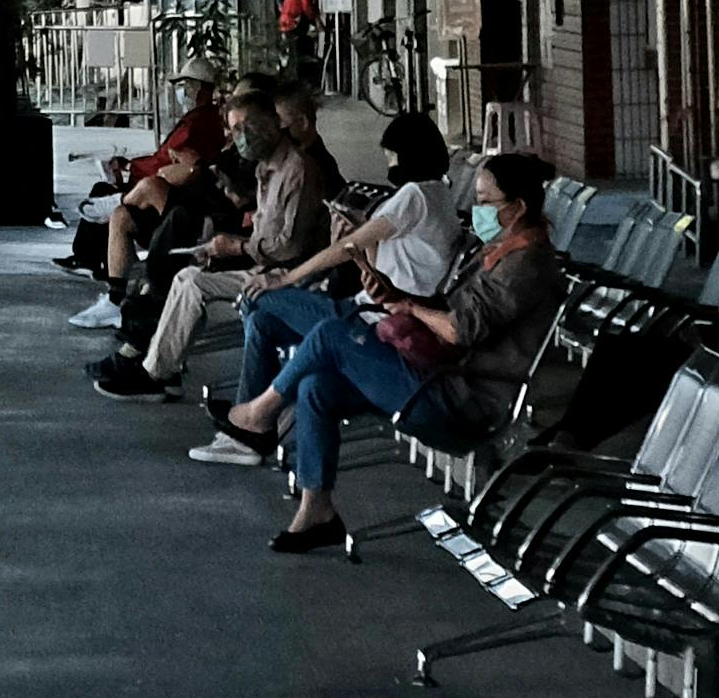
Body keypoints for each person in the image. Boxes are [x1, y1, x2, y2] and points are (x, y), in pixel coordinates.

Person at [223, 148, 560, 557]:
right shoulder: (502, 252)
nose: (477, 210)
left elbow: (459, 329)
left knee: (331, 334)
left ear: (519, 207)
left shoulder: (524, 265)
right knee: (317, 385)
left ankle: (261, 411)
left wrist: (411, 308)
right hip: (439, 376)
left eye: (487, 202)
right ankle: (318, 511)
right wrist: (396, 295)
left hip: (459, 399)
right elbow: (448, 309)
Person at [191, 109, 456, 457]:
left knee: (260, 300)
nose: (388, 164)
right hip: (377, 303)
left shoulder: (416, 195)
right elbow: (374, 262)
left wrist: (286, 278)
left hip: (371, 315)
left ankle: (256, 420)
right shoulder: (440, 196)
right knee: (263, 319)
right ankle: (251, 427)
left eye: (391, 156)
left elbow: (347, 249)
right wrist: (356, 240)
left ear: (408, 154)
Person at [97, 87, 338, 398]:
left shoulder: (297, 170)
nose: (240, 136)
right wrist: (223, 250)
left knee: (193, 282)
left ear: (271, 123)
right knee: (188, 275)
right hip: (266, 263)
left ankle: (157, 372)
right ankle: (157, 369)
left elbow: (289, 247)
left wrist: (236, 248)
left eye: (246, 127)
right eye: (234, 129)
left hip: (290, 275)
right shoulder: (266, 168)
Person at [68, 77, 235, 322]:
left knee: (151, 184)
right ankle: (115, 299)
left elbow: (177, 165)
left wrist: (194, 166)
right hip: (190, 200)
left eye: (187, 86)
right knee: (122, 216)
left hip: (202, 211)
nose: (182, 92)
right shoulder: (203, 121)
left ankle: (119, 199)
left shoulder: (202, 123)